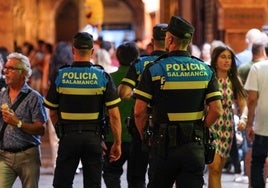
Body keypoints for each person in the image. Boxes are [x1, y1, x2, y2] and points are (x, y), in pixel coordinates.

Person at [134, 16, 223, 188]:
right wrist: (201, 128)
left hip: (163, 147)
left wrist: (145, 136)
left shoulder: (155, 69)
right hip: (194, 145)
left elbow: (139, 111)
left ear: (170, 39)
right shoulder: (205, 70)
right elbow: (217, 110)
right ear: (189, 41)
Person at [44, 32, 122, 188]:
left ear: (73, 50)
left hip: (68, 137)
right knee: (93, 184)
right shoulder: (103, 77)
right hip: (93, 138)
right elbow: (114, 115)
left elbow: (52, 111)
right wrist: (117, 143)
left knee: (62, 183)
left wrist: (61, 132)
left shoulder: (61, 75)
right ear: (92, 52)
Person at [118, 23, 168, 188]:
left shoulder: (140, 63)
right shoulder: (175, 63)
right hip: (168, 127)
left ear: (153, 41)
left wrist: (139, 95)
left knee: (137, 175)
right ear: (170, 40)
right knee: (161, 175)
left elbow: (123, 92)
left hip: (141, 127)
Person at [0, 52, 47, 187]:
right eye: (5, 68)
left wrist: (18, 123)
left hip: (27, 155)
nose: (6, 71)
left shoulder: (34, 97)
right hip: (4, 155)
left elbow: (41, 129)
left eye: (11, 68)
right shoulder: (2, 95)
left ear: (23, 73)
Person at [208, 45, 248, 188]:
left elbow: (243, 104)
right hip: (211, 123)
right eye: (223, 57)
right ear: (215, 59)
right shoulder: (209, 77)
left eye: (229, 57)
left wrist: (243, 118)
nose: (227, 61)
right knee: (213, 167)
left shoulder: (234, 80)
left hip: (227, 125)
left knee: (218, 170)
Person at [102, 41, 140, 187]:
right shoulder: (142, 79)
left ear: (117, 57)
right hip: (137, 135)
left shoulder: (108, 78)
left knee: (111, 174)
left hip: (112, 135)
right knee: (137, 178)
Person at [237, 42, 268, 185]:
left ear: (265, 52)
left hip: (262, 125)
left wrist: (249, 124)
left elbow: (252, 100)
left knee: (258, 162)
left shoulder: (257, 68)